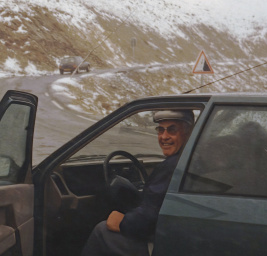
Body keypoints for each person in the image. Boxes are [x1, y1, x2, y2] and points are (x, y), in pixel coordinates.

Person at [81, 110, 194, 256]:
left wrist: (123, 222)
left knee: (102, 230)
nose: (164, 137)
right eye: (160, 130)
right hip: (179, 237)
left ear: (187, 133)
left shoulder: (174, 166)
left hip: (158, 243)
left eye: (172, 130)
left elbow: (148, 218)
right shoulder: (190, 159)